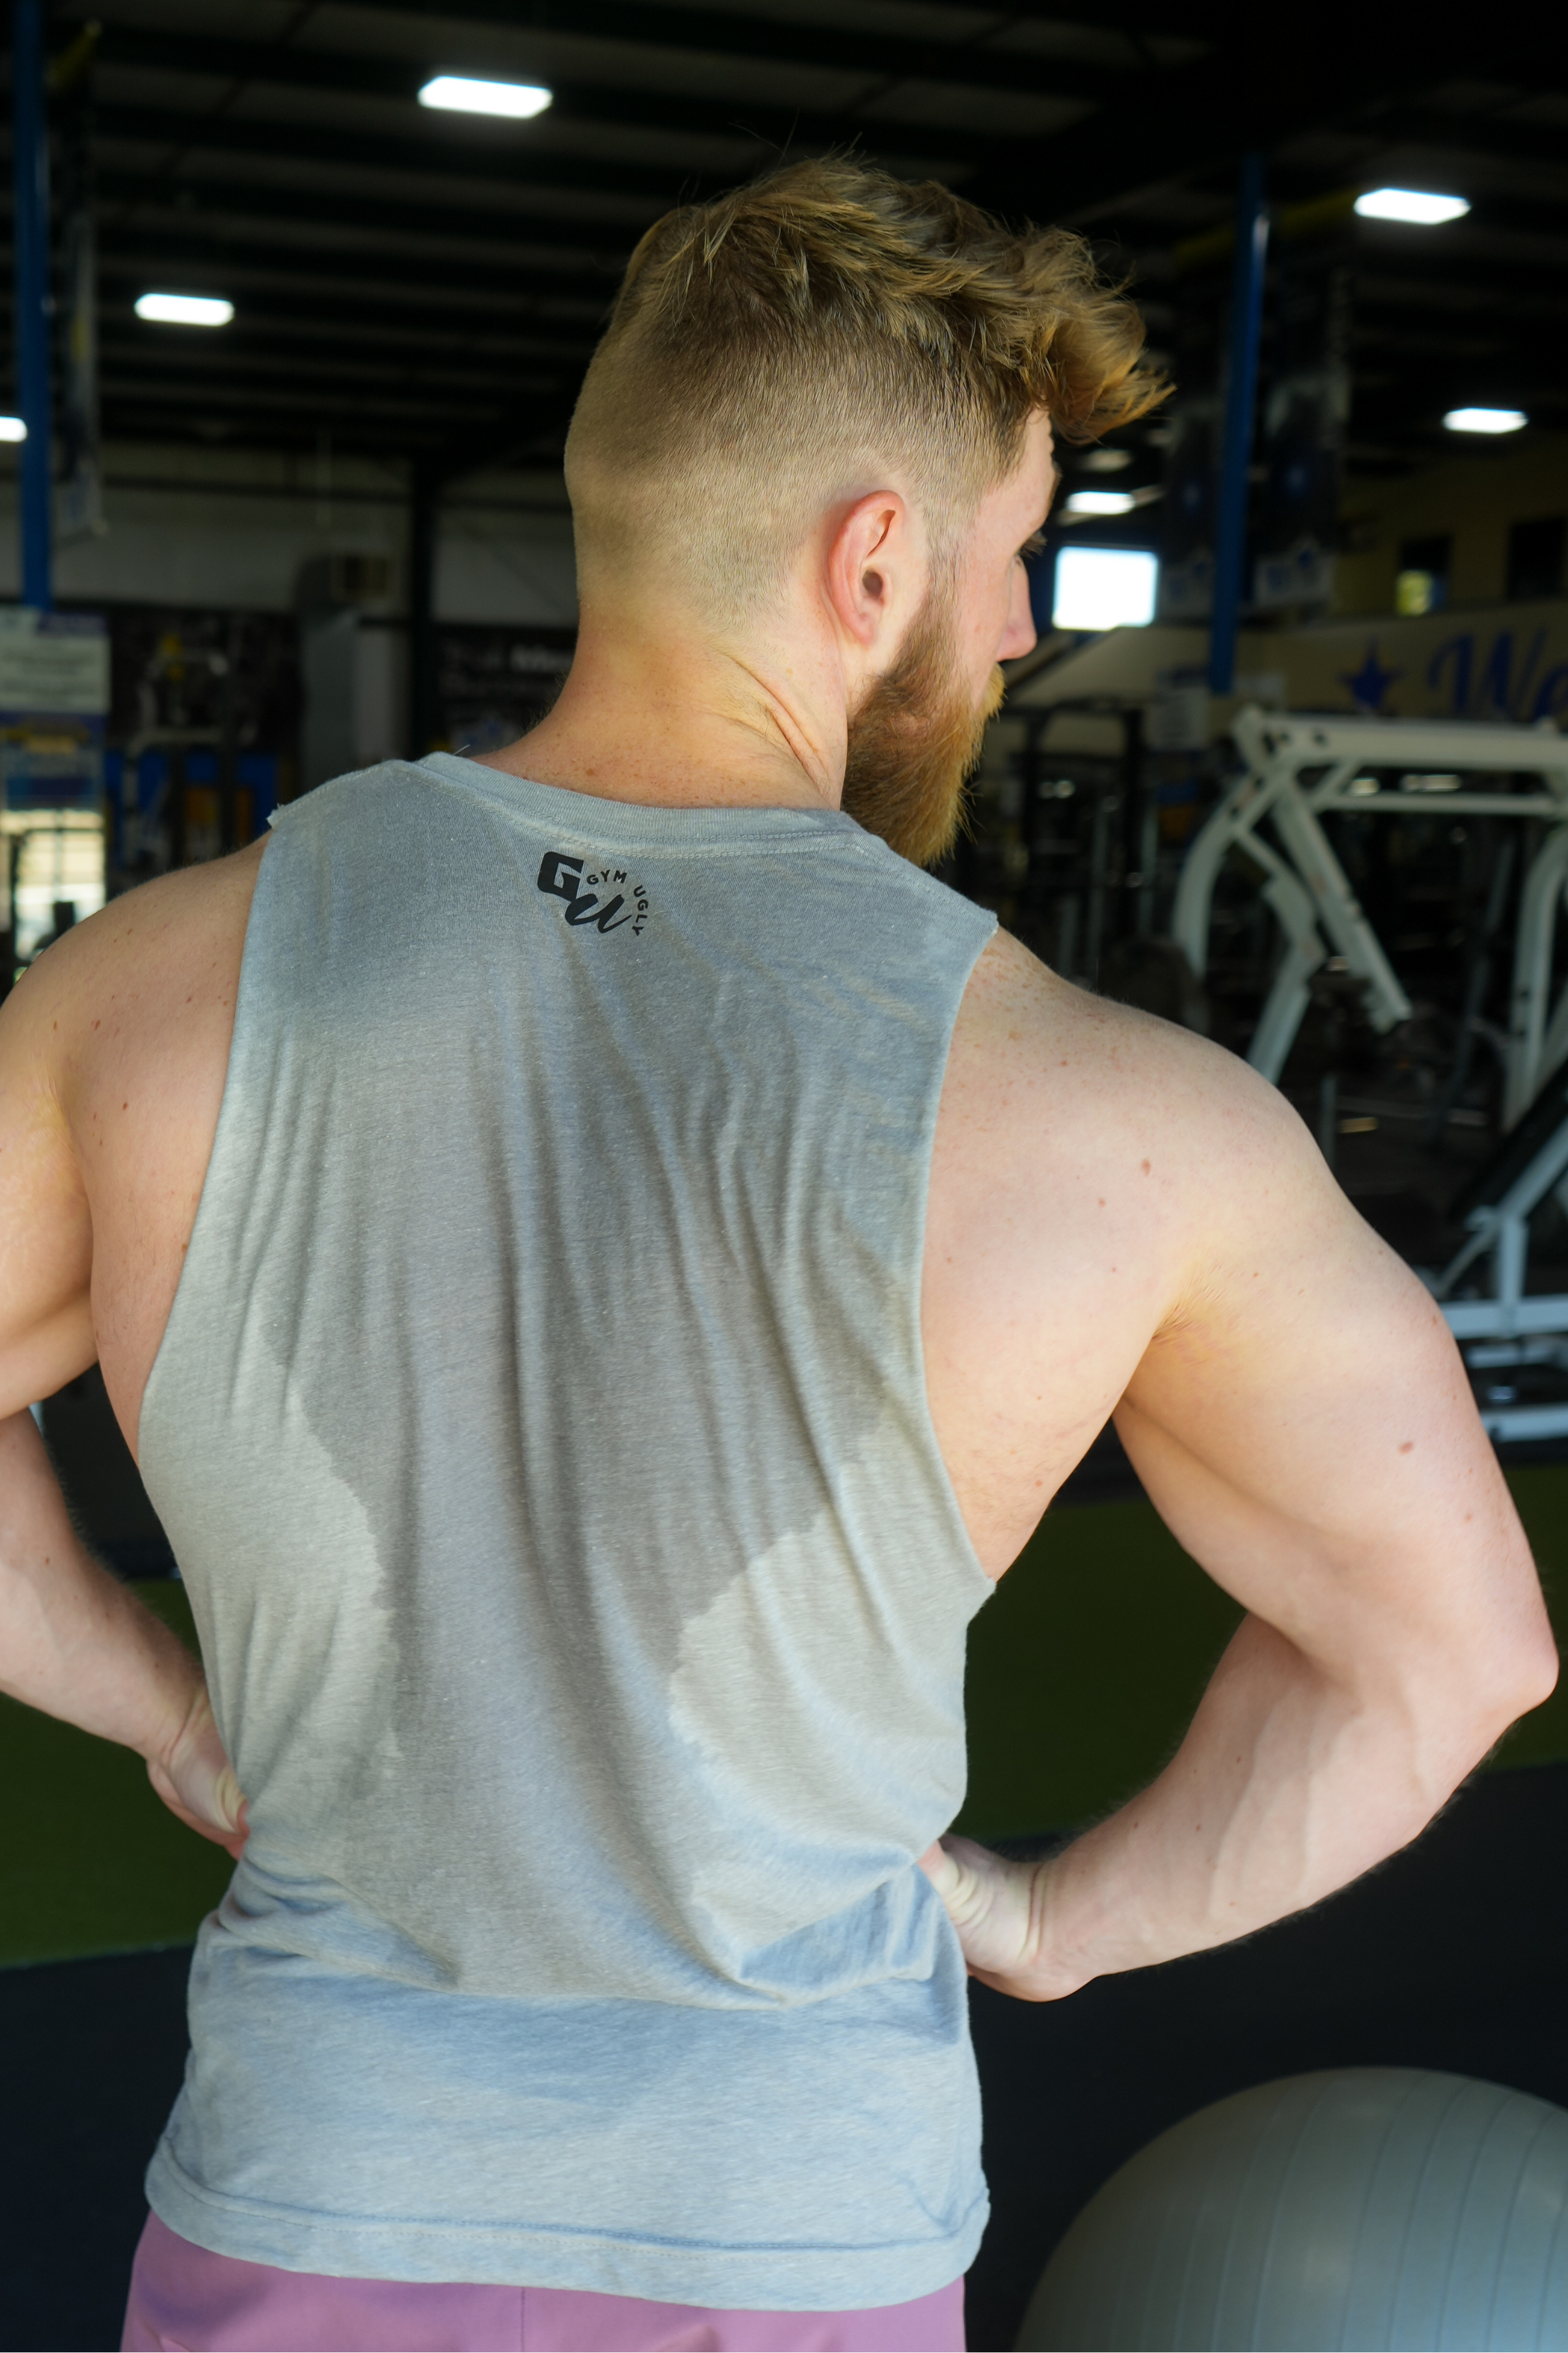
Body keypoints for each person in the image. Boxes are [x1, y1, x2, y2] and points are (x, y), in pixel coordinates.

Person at [0, 158, 1554, 2353]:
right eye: (1022, 554)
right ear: (878, 556)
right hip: (800, 2234)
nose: (1023, 631)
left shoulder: (137, 996)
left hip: (312, 2190)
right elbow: (1454, 1657)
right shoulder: (1122, 1120)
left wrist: (161, 1699)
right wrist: (1046, 1920)